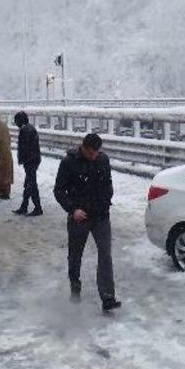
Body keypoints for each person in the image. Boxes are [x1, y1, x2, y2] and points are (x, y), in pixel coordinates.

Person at [53, 133, 121, 311]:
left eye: (96, 153)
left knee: (105, 255)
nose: (94, 156)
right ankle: (75, 286)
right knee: (75, 255)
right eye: (91, 153)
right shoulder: (69, 163)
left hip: (101, 216)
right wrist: (72, 209)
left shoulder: (103, 160)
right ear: (83, 148)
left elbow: (108, 183)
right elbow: (58, 190)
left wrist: (107, 199)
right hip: (79, 217)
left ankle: (108, 296)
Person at [13, 111, 42, 216]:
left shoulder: (25, 130)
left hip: (30, 161)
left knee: (31, 185)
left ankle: (37, 208)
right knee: (29, 184)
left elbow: (25, 148)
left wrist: (22, 159)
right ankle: (24, 206)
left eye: (16, 121)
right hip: (33, 160)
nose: (15, 123)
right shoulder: (29, 128)